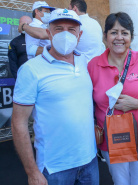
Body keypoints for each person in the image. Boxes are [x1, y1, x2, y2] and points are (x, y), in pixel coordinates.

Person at [12, 8, 98, 185]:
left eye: (71, 29)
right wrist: (32, 172)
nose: (65, 34)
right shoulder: (31, 70)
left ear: (79, 35)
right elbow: (18, 123)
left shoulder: (84, 62)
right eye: (59, 28)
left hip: (90, 163)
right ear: (48, 33)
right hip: (54, 169)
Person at [88, 12, 138, 185]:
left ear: (131, 37)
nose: (119, 37)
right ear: (105, 37)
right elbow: (87, 103)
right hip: (111, 140)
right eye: (113, 32)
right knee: (121, 183)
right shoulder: (93, 65)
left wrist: (137, 103)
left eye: (124, 33)